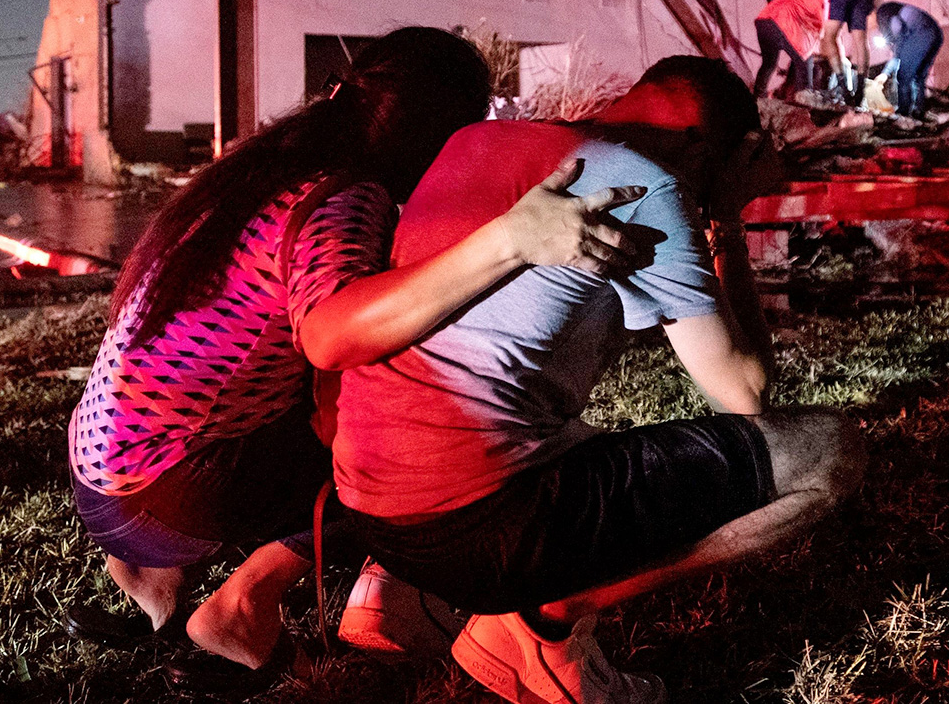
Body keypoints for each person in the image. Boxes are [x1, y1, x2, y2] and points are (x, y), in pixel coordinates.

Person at [64, 27, 645, 694]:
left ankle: (154, 584)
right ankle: (243, 608)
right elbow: (331, 332)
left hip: (102, 473)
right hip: (168, 488)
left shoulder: (259, 169)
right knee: (405, 451)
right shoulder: (344, 196)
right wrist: (508, 242)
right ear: (437, 132)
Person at [332, 56, 865, 704]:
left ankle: (384, 587)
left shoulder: (477, 139)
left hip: (367, 504)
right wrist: (725, 216)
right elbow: (742, 390)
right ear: (703, 146)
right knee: (825, 452)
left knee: (563, 422)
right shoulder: (644, 185)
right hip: (479, 527)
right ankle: (534, 621)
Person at [752, 0, 828, 100]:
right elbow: (821, 32)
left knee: (769, 64)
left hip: (763, 20)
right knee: (805, 60)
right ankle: (803, 103)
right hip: (782, 21)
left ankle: (758, 97)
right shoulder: (829, 0)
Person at [873, 1, 943, 119]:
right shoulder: (892, 10)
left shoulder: (884, 15)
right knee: (919, 76)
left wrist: (885, 73)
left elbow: (899, 37)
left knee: (903, 76)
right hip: (936, 33)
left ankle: (903, 112)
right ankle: (918, 111)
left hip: (920, 33)